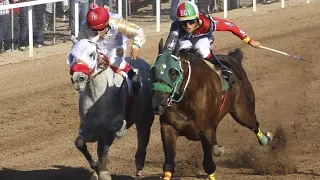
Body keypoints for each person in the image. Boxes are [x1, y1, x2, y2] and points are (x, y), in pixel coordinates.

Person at [164, 1, 261, 83]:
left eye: (191, 22)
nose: (188, 26)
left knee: (201, 48)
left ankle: (221, 67)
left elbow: (231, 26)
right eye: (184, 23)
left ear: (197, 19)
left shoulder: (208, 23)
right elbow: (169, 45)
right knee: (182, 50)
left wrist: (249, 40)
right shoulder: (176, 25)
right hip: (186, 39)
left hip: (204, 37)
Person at [78, 3, 145, 94]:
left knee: (112, 59)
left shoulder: (117, 22)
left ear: (107, 22)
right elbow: (81, 44)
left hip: (116, 49)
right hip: (97, 52)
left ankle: (131, 74)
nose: (98, 32)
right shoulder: (84, 25)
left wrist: (136, 47)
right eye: (94, 30)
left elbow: (138, 31)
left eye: (101, 28)